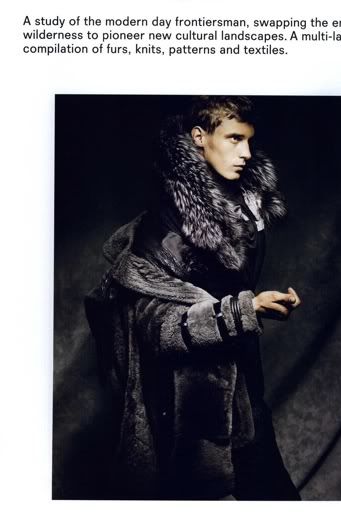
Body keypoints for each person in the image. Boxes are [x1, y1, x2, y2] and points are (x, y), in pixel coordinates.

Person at [85, 96, 301, 500]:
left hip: (244, 388)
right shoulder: (165, 226)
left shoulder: (245, 207)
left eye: (249, 140)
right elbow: (159, 330)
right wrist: (246, 309)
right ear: (199, 137)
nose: (246, 153)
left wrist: (254, 304)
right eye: (234, 138)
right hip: (190, 407)